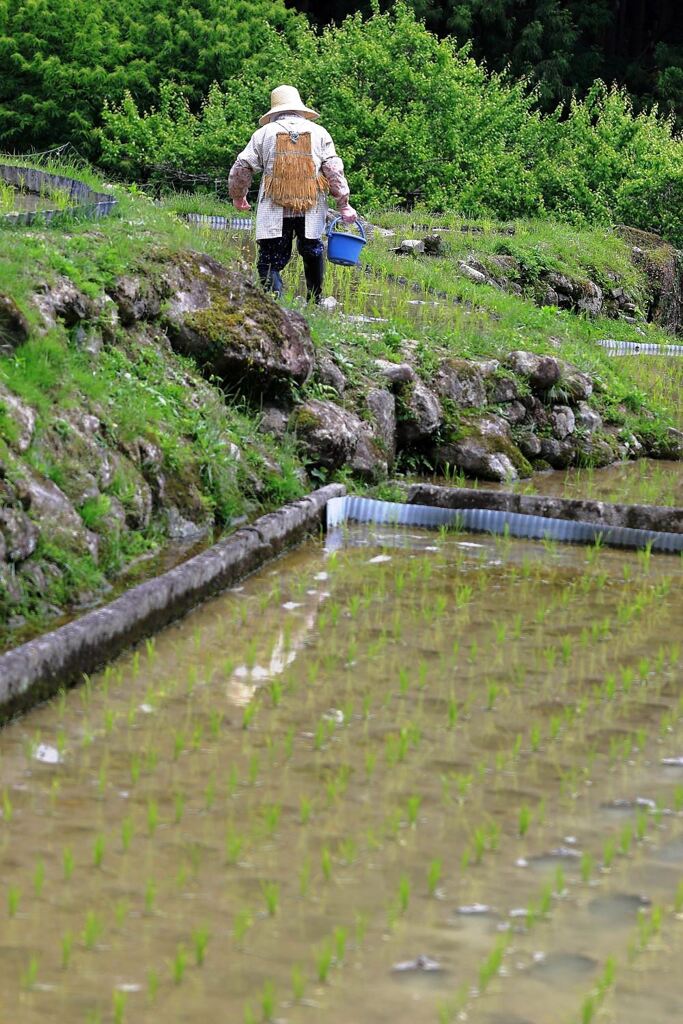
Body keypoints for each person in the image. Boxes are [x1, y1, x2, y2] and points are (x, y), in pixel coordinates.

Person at [229, 85, 358, 303]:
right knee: (312, 251)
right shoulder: (319, 132)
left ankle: (276, 305)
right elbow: (333, 169)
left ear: (275, 110)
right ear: (298, 108)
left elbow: (242, 167)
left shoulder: (263, 134)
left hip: (274, 207)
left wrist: (238, 195)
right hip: (311, 208)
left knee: (269, 260)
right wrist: (343, 203)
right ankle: (315, 302)